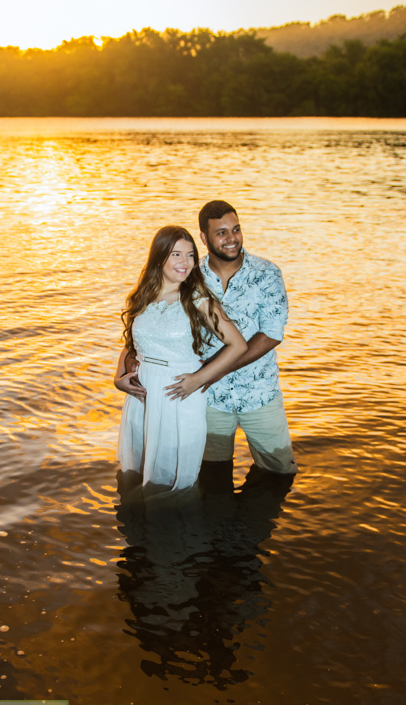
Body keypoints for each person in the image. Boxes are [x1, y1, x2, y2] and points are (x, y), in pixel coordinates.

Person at [115, 226, 247, 492]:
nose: (184, 263)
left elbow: (238, 345)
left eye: (189, 255)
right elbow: (131, 345)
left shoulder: (197, 300)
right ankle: (139, 527)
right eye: (176, 254)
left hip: (177, 394)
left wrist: (198, 379)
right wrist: (118, 380)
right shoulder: (143, 296)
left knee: (172, 477)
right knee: (136, 472)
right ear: (160, 257)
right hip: (141, 398)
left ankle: (175, 528)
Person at [195, 200, 298, 476]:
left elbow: (272, 334)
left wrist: (217, 370)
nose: (232, 239)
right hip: (209, 399)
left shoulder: (267, 274)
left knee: (280, 474)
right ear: (204, 238)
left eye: (236, 229)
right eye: (222, 233)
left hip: (260, 395)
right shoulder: (191, 278)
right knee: (211, 479)